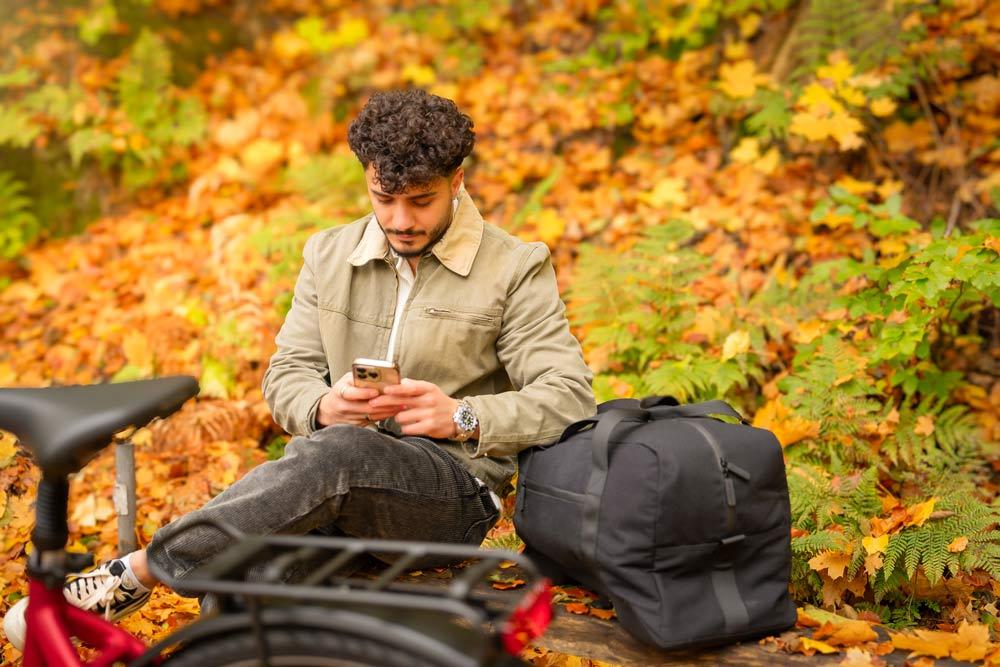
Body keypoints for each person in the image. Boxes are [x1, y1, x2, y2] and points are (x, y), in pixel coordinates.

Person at [2, 88, 596, 648]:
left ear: (457, 182)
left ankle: (137, 572)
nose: (400, 220)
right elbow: (286, 374)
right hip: (327, 490)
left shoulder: (514, 267)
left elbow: (569, 395)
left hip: (450, 497)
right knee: (246, 582)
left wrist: (461, 415)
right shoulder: (329, 254)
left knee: (337, 455)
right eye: (382, 199)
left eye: (420, 201)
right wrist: (320, 406)